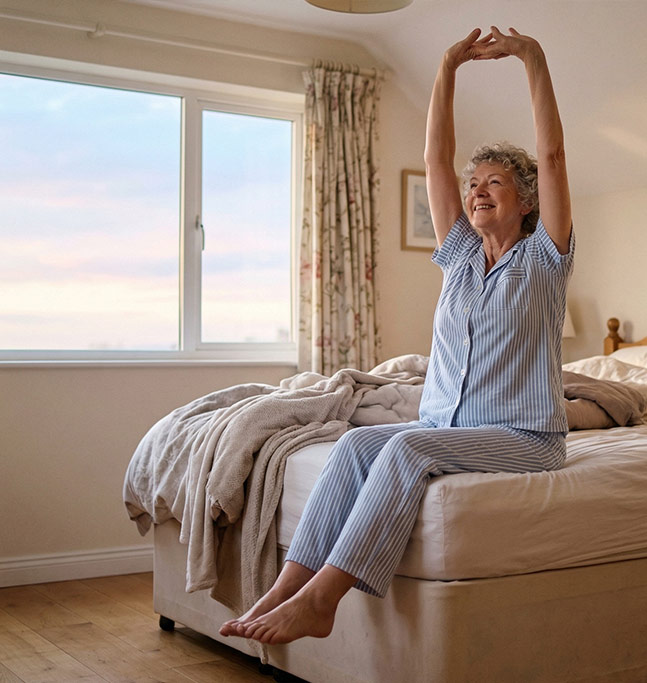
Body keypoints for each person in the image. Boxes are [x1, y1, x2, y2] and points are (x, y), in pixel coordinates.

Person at [219, 26, 573, 646]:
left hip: (525, 436)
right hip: (446, 424)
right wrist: (446, 66)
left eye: (494, 181)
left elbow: (554, 156)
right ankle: (283, 590)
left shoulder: (545, 258)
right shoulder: (460, 256)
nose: (476, 190)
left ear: (525, 200)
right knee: (358, 446)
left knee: (405, 452)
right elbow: (436, 160)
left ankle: (323, 601)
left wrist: (532, 58)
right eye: (473, 184)